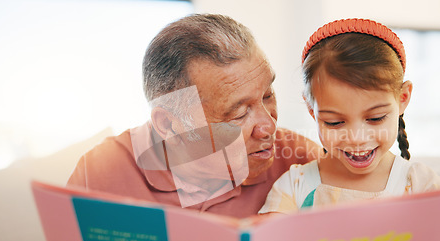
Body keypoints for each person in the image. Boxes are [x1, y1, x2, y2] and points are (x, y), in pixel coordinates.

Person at [67, 14, 320, 218]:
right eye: (239, 114)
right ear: (169, 125)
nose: (268, 127)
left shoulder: (306, 163)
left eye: (267, 95)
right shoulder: (99, 173)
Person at [259, 18, 440, 241]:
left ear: (402, 98)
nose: (357, 139)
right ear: (312, 110)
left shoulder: (421, 186)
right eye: (335, 122)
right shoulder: (295, 186)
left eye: (375, 118)